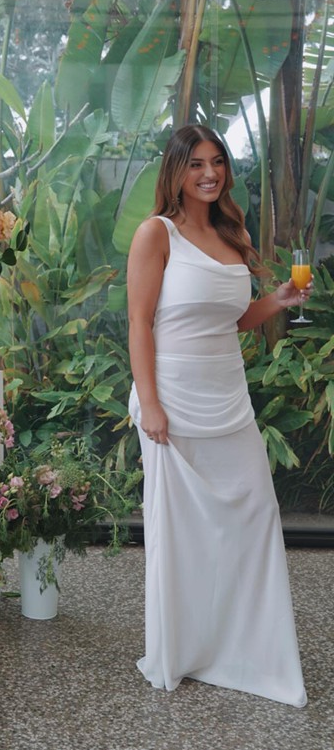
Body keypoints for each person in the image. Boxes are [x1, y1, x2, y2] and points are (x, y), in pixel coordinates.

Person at [127, 124, 309, 708]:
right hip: (173, 398)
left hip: (228, 398)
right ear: (176, 171)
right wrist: (150, 402)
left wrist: (277, 300)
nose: (210, 173)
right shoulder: (156, 234)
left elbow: (230, 319)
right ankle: (187, 649)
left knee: (256, 514)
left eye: (218, 162)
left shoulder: (234, 233)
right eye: (197, 163)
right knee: (182, 530)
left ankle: (246, 649)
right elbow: (139, 323)